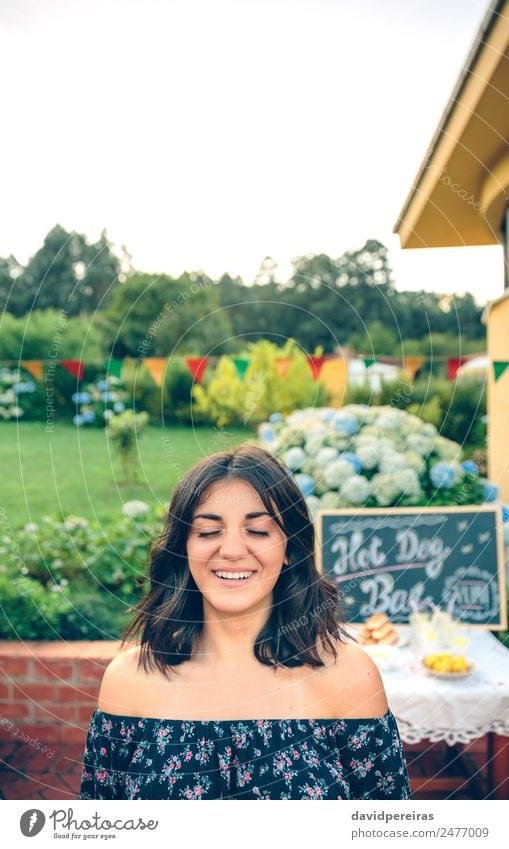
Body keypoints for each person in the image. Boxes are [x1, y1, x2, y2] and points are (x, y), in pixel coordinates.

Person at [80, 443, 411, 800]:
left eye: (258, 531)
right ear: (183, 547)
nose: (233, 550)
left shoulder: (349, 677)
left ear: (289, 549)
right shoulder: (129, 682)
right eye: (208, 532)